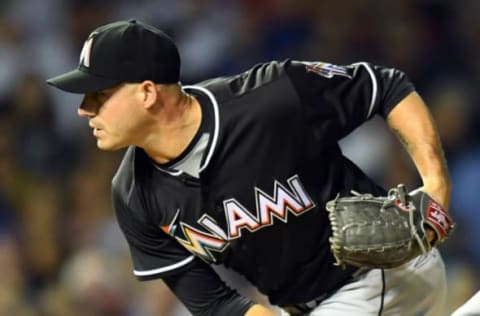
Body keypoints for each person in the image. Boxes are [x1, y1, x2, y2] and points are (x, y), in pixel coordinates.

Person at [47, 20, 452, 316]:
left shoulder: (269, 98)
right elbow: (215, 304)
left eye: (98, 95)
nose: (84, 110)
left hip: (382, 276)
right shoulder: (134, 195)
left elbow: (384, 87)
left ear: (148, 93)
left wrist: (434, 185)